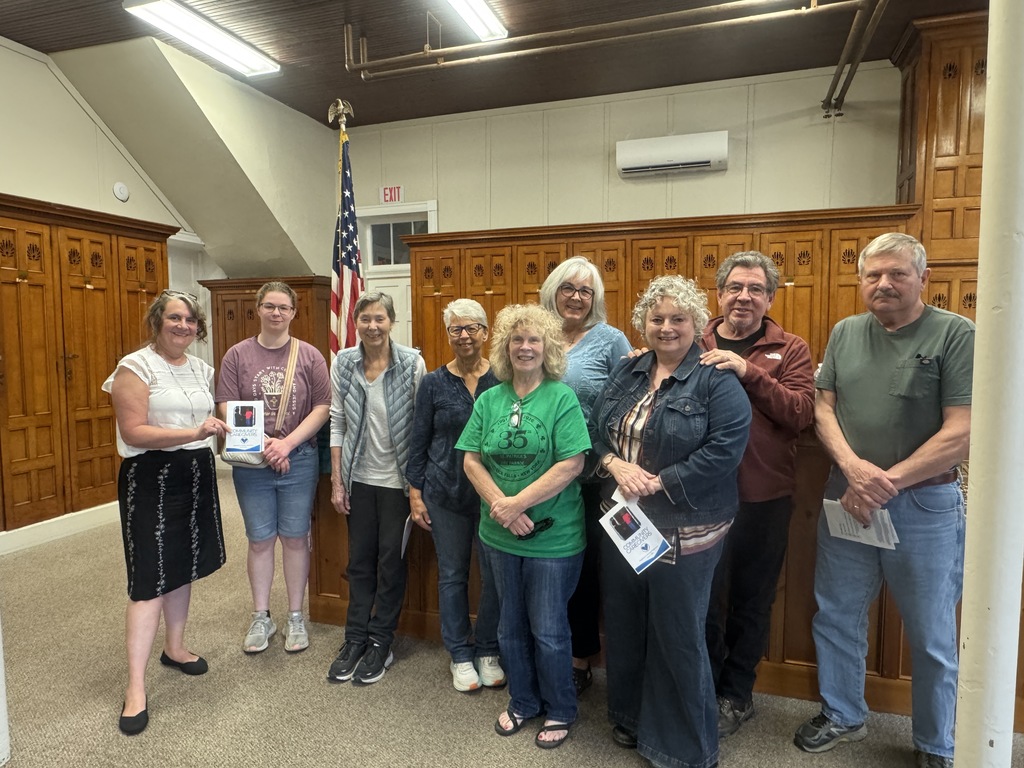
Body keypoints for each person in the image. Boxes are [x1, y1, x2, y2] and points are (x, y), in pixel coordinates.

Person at [793, 233, 973, 768]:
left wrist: (883, 481)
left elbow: (962, 431)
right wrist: (852, 469)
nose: (884, 284)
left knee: (932, 631)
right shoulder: (847, 332)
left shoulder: (956, 334)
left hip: (923, 506)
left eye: (896, 274)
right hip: (846, 497)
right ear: (861, 280)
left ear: (923, 278)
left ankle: (936, 742)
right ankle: (844, 714)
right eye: (873, 275)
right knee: (837, 612)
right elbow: (823, 407)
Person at [589, 275, 751, 768]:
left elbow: (726, 449)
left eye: (678, 319)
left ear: (697, 324)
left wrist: (660, 482)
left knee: (677, 631)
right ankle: (631, 717)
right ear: (643, 323)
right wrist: (614, 465)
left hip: (686, 526)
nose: (666, 327)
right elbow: (596, 427)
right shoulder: (629, 370)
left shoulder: (715, 378)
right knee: (626, 620)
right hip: (624, 521)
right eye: (656, 319)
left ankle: (682, 748)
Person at [456, 304, 591, 750]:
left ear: (547, 347)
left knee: (549, 629)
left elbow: (572, 463)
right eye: (517, 340)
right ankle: (524, 701)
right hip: (498, 535)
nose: (525, 347)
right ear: (505, 348)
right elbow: (471, 458)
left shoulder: (561, 397)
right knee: (509, 625)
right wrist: (501, 506)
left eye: (534, 340)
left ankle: (561, 709)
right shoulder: (490, 398)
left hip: (553, 537)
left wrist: (516, 504)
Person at [698, 252, 815, 737]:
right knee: (700, 600)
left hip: (762, 498)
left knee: (750, 600)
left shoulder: (789, 347)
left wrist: (749, 373)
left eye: (755, 289)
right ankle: (700, 685)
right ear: (720, 293)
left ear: (770, 297)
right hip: (698, 497)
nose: (743, 296)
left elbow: (801, 412)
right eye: (735, 287)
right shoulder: (692, 337)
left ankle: (735, 695)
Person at [102, 290, 229, 736]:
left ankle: (174, 648)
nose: (183, 326)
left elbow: (221, 421)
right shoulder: (133, 368)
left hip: (194, 471)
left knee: (182, 566)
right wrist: (193, 430)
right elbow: (133, 432)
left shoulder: (202, 369)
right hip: (150, 476)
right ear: (158, 321)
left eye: (191, 320)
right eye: (174, 317)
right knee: (147, 580)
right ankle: (135, 687)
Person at [215, 281, 331, 654]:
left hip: (298, 459)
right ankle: (261, 615)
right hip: (252, 461)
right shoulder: (237, 355)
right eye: (269, 306)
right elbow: (225, 405)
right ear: (258, 309)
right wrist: (264, 444)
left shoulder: (310, 355)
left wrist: (286, 443)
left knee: (296, 537)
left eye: (283, 307)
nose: (276, 313)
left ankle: (296, 615)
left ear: (294, 312)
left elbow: (322, 407)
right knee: (260, 539)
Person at [539, 256, 631, 696]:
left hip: (593, 475)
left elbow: (629, 402)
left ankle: (579, 659)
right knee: (544, 567)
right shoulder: (536, 333)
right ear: (553, 291)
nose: (576, 297)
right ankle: (542, 651)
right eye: (568, 288)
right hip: (539, 474)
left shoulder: (611, 340)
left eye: (585, 291)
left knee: (585, 572)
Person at [327, 291, 427, 686]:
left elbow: (422, 427)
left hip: (397, 485)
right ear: (356, 322)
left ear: (391, 321)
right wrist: (337, 479)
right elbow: (337, 421)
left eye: (379, 318)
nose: (372, 326)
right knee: (359, 562)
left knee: (390, 562)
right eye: (365, 318)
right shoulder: (345, 362)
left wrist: (416, 486)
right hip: (359, 479)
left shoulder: (411, 363)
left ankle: (380, 641)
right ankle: (354, 639)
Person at [407, 299, 505, 693]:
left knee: (494, 578)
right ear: (448, 335)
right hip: (444, 492)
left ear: (485, 333)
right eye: (455, 329)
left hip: (493, 495)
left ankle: (487, 649)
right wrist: (416, 494)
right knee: (452, 575)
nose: (464, 336)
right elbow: (419, 441)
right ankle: (460, 655)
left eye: (471, 328)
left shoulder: (502, 378)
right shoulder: (432, 383)